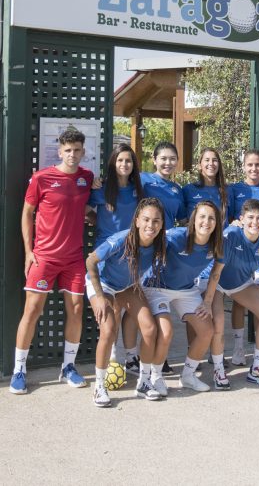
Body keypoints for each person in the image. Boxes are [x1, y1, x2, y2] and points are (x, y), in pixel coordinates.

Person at [10, 128, 94, 395]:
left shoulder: (87, 178)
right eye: (67, 150)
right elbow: (26, 214)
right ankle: (19, 370)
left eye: (77, 150)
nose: (72, 154)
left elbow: (86, 209)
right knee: (32, 311)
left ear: (83, 151)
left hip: (73, 258)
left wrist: (92, 215)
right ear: (59, 151)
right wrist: (28, 252)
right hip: (44, 257)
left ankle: (68, 367)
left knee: (77, 309)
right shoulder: (41, 178)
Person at [85, 198, 165, 406]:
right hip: (102, 284)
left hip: (127, 286)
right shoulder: (122, 239)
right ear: (137, 220)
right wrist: (101, 297)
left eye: (156, 221)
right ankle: (99, 386)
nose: (151, 225)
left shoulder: (159, 243)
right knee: (109, 330)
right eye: (146, 219)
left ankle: (144, 382)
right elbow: (91, 260)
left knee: (149, 328)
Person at [140, 200, 223, 395]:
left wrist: (208, 302)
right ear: (194, 219)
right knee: (166, 332)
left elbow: (215, 274)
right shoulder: (176, 236)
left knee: (206, 330)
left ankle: (187, 376)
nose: (206, 221)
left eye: (211, 218)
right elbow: (148, 246)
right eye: (202, 217)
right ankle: (156, 377)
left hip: (186, 290)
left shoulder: (217, 244)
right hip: (157, 287)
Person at [204, 198, 259, 389]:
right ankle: (219, 370)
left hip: (241, 283)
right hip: (216, 283)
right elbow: (216, 272)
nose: (255, 222)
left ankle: (257, 368)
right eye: (251, 217)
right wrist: (207, 302)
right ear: (241, 219)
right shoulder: (230, 236)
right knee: (218, 322)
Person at [88, 144, 144, 372]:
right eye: (120, 160)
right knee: (112, 308)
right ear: (113, 163)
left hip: (131, 255)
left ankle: (131, 358)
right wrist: (98, 221)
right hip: (106, 254)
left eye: (128, 161)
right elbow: (84, 209)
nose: (124, 164)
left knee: (128, 307)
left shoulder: (138, 189)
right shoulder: (101, 189)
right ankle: (112, 358)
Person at [132, 142, 186, 376]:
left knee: (157, 303)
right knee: (134, 303)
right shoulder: (142, 180)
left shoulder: (176, 189)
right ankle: (132, 355)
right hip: (143, 247)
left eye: (172, 158)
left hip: (165, 251)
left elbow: (180, 218)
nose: (168, 163)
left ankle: (157, 355)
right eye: (163, 158)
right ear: (154, 159)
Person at [226, 149, 259, 365]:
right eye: (249, 165)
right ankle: (239, 348)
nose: (254, 169)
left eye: (257, 164)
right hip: (242, 248)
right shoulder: (235, 189)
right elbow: (231, 217)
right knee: (240, 302)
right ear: (243, 167)